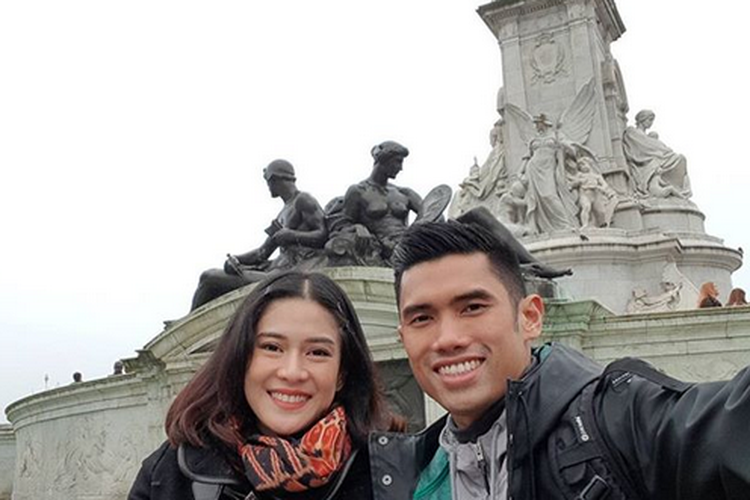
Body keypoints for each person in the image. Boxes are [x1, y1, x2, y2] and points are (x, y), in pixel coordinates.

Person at [367, 210, 750, 499]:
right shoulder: (403, 477)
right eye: (422, 318)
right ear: (404, 336)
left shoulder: (621, 419)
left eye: (473, 307)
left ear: (530, 317)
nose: (447, 339)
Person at [131, 271, 400, 499]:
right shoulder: (170, 474)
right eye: (272, 347)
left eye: (317, 352)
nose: (292, 372)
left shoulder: (391, 474)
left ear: (342, 373)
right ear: (242, 358)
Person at [191, 160, 328, 310]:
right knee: (210, 279)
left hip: (289, 274)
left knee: (209, 278)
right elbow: (262, 253)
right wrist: (236, 259)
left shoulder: (303, 200)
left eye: (267, 182)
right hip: (274, 270)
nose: (268, 187)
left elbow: (323, 235)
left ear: (274, 178)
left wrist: (291, 235)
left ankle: (189, 323)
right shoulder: (281, 215)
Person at [328, 141, 422, 266]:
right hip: (376, 245)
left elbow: (431, 212)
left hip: (407, 243)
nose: (401, 168)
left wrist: (415, 233)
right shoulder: (358, 191)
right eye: (398, 161)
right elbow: (344, 222)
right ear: (384, 160)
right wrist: (357, 227)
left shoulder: (405, 193)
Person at [521, 114, 579, 234]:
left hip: (548, 168)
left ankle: (565, 224)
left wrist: (567, 146)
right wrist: (520, 173)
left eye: (537, 123)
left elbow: (570, 149)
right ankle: (541, 227)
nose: (536, 126)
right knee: (535, 198)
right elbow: (527, 157)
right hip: (533, 168)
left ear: (544, 123)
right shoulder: (533, 139)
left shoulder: (556, 135)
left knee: (550, 195)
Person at [622, 109, 691, 200]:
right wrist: (660, 151)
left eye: (652, 120)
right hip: (644, 160)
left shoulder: (649, 136)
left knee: (681, 159)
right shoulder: (632, 132)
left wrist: (661, 150)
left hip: (655, 157)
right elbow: (645, 147)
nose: (651, 123)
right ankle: (678, 193)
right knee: (679, 158)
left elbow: (654, 146)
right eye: (649, 120)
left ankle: (681, 191)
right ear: (642, 119)